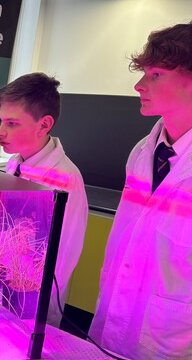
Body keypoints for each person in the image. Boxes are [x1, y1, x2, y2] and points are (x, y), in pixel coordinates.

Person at [89, 22, 192, 359]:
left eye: (155, 75)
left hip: (170, 341)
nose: (139, 85)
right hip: (114, 320)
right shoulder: (142, 152)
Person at [0, 72, 88, 327]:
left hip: (33, 299)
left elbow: (64, 255)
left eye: (12, 123)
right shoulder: (15, 163)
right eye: (1, 121)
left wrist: (31, 297)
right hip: (3, 287)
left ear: (44, 125)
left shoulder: (66, 178)